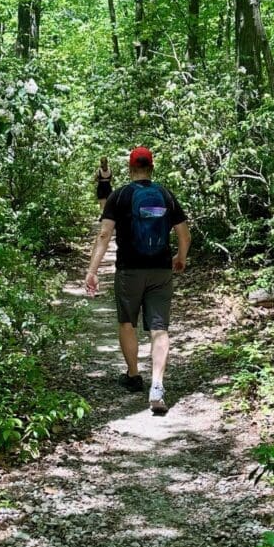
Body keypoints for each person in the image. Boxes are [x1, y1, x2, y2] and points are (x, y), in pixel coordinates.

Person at [84, 146, 190, 415]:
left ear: (130, 170)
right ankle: (157, 385)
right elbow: (184, 233)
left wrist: (92, 270)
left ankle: (133, 375)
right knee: (159, 327)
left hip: (129, 270)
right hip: (160, 270)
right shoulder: (165, 194)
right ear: (151, 168)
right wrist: (181, 257)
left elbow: (104, 235)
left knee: (127, 322)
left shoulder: (119, 196)